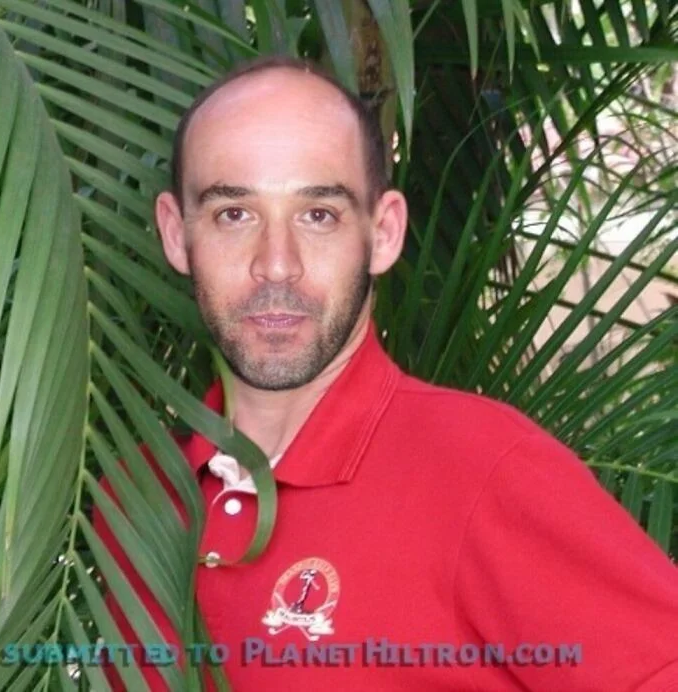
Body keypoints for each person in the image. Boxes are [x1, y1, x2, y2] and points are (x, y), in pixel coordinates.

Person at [94, 55, 678, 691]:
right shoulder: (135, 494)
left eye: (319, 214)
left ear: (385, 233)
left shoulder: (485, 470)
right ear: (176, 234)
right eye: (234, 213)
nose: (277, 264)